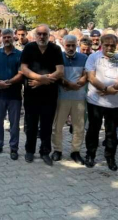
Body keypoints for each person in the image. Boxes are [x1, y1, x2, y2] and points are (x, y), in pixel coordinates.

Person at [21, 24, 64, 166]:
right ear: (35, 35)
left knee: (46, 125)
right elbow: (24, 69)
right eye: (39, 34)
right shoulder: (29, 48)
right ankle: (29, 150)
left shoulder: (55, 49)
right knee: (31, 124)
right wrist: (41, 78)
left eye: (44, 34)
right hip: (31, 94)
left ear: (48, 35)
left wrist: (42, 81)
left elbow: (60, 71)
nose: (41, 36)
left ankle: (45, 152)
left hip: (49, 95)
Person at [51, 35, 88, 164]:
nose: (71, 48)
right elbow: (56, 76)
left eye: (73, 45)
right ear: (63, 44)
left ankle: (75, 151)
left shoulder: (84, 58)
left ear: (76, 44)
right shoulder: (57, 57)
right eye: (68, 45)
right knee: (58, 125)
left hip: (79, 98)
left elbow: (86, 74)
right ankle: (57, 150)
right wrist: (68, 84)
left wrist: (77, 84)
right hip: (62, 97)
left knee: (79, 126)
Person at [84, 34, 118, 171]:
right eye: (107, 45)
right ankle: (90, 154)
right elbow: (91, 77)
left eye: (112, 45)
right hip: (95, 101)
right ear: (101, 45)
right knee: (93, 129)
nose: (109, 47)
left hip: (114, 103)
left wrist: (111, 90)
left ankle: (110, 157)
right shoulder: (94, 57)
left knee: (111, 132)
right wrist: (105, 88)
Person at [0, 29, 23, 160]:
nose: (7, 39)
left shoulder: (19, 54)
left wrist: (8, 82)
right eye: (5, 37)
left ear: (13, 38)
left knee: (14, 124)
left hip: (14, 94)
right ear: (2, 38)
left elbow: (21, 73)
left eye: (9, 37)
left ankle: (14, 148)